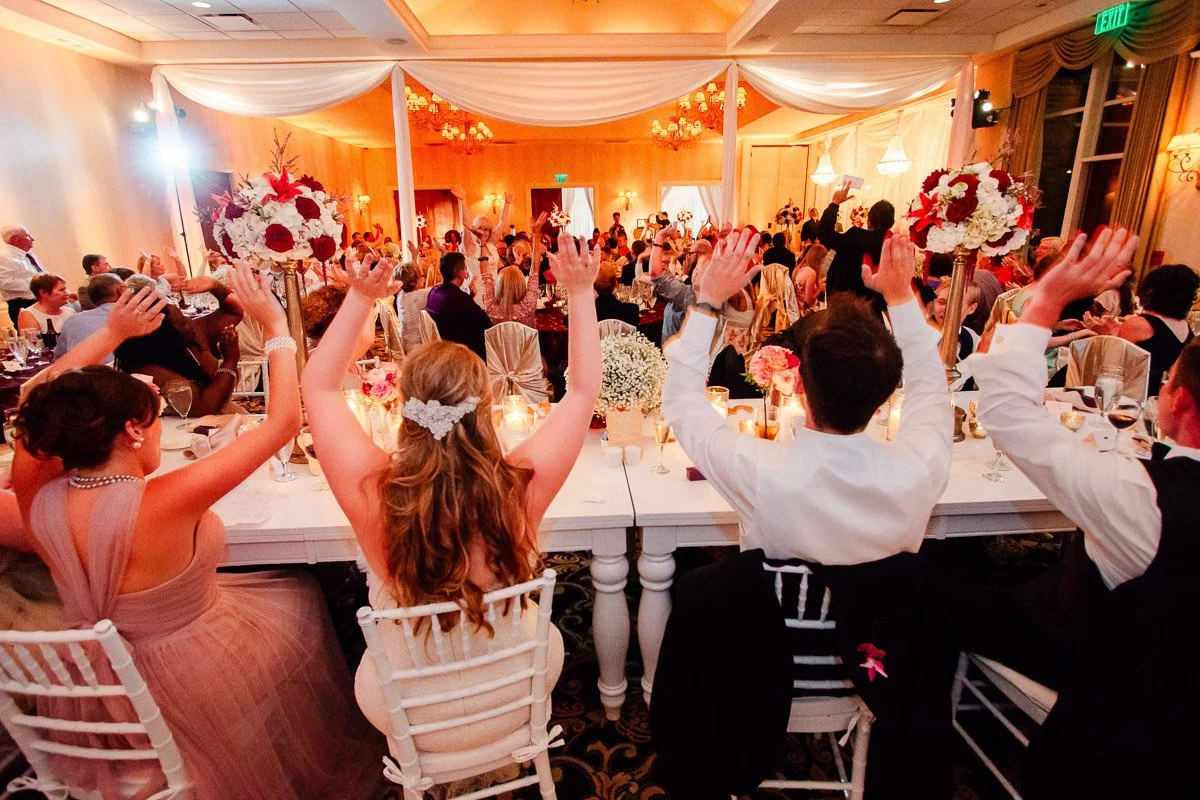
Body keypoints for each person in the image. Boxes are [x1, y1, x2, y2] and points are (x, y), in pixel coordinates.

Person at [10, 271, 382, 799]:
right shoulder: (161, 499)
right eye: (157, 418)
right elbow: (283, 424)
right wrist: (276, 324)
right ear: (133, 430)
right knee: (306, 595)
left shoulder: (34, 499)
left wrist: (110, 336)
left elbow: (34, 396)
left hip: (93, 683)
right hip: (195, 676)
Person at [300, 235, 601, 789]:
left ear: (405, 408)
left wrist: (360, 298)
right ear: (484, 405)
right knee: (546, 637)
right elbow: (582, 392)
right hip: (515, 692)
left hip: (409, 712)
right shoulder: (517, 487)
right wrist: (581, 293)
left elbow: (316, 387)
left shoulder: (375, 491)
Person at [964, 228, 1200, 799]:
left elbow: (1008, 414)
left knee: (939, 590)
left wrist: (1045, 300)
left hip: (1113, 706)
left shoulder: (1140, 496)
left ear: (1180, 401)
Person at [662, 229, 952, 564]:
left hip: (777, 614)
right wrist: (901, 296)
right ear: (883, 399)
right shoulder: (920, 469)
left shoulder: (760, 470)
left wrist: (709, 299)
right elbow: (931, 386)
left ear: (797, 384)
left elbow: (682, 400)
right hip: (882, 616)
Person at [114, 276, 246, 416]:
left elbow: (233, 311)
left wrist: (216, 287)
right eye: (183, 322)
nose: (191, 321)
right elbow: (205, 407)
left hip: (228, 417)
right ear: (163, 338)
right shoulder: (151, 370)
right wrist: (230, 360)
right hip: (191, 431)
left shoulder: (193, 335)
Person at [1117, 264, 1198, 394]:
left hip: (1135, 401)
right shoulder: (1188, 329)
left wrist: (1105, 335)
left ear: (1151, 291)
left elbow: (1115, 370)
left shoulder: (1138, 324)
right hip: (1171, 401)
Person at [818, 182, 893, 306]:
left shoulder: (856, 237)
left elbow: (824, 233)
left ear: (868, 221)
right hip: (876, 311)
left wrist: (835, 202)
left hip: (845, 307)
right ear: (891, 223)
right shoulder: (894, 246)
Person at [425, 251, 494, 360]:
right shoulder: (459, 298)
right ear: (459, 272)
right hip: (458, 351)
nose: (467, 273)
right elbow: (487, 324)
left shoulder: (434, 292)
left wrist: (470, 297)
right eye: (465, 269)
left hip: (442, 344)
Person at [54, 274, 124, 364]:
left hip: (81, 375)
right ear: (120, 292)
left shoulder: (73, 321)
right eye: (126, 288)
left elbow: (59, 357)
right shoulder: (134, 317)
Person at [1, 225, 46, 326]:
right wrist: (36, 284)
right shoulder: (4, 258)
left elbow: (43, 274)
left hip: (42, 301)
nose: (32, 239)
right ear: (15, 239)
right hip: (24, 304)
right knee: (33, 338)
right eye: (28, 236)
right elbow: (5, 283)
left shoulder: (30, 255)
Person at [17, 273, 76, 342]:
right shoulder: (29, 315)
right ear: (43, 293)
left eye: (65, 289)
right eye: (61, 290)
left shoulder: (70, 312)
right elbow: (33, 347)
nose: (67, 293)